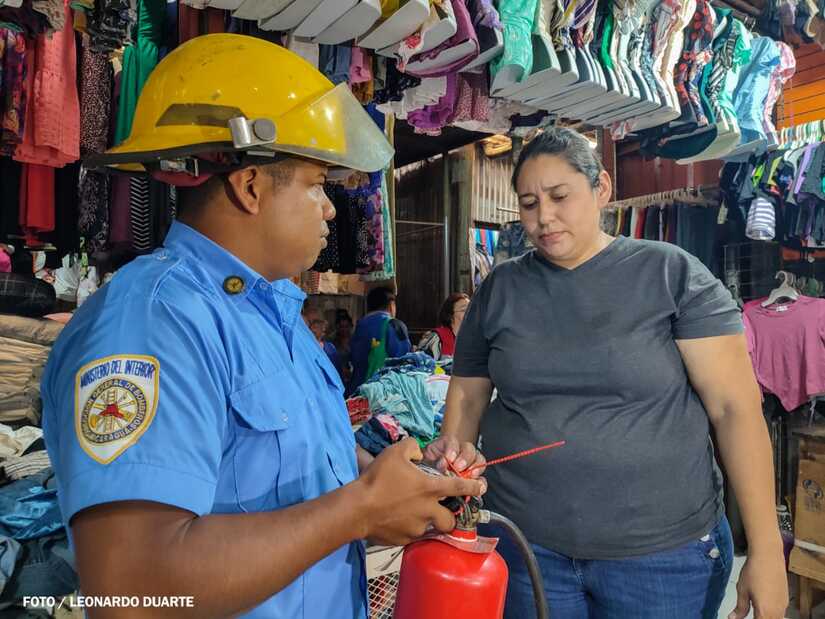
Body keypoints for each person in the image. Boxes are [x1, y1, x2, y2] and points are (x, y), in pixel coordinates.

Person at [41, 35, 483, 619]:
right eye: (315, 184)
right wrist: (359, 511)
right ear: (250, 187)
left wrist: (402, 483)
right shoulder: (153, 322)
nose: (331, 208)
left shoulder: (274, 317)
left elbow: (301, 461)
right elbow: (130, 587)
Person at [424, 128, 788, 619]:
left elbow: (735, 410)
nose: (543, 217)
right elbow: (468, 397)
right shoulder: (501, 288)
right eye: (529, 204)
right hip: (528, 547)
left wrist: (766, 549)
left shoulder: (671, 274)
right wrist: (452, 492)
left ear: (601, 188)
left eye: (559, 197)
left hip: (661, 558)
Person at [349, 286, 412, 394]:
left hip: (357, 390)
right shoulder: (394, 325)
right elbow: (403, 360)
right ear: (391, 305)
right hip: (382, 392)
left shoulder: (359, 326)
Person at [418, 292, 471, 360]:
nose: (470, 313)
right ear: (450, 315)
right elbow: (422, 363)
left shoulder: (475, 338)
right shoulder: (436, 337)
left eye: (471, 309)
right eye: (464, 310)